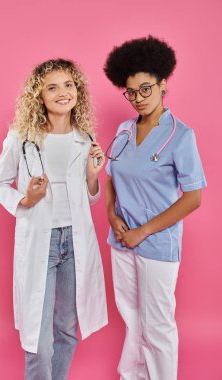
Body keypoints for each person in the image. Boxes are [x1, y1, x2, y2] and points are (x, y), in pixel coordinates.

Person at [0, 58, 108, 379]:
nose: (62, 92)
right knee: (38, 338)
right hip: (40, 241)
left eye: (68, 85)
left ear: (78, 91)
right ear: (38, 96)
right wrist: (25, 199)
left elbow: (90, 196)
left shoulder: (84, 137)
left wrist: (93, 176)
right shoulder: (21, 136)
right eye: (51, 87)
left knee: (68, 328)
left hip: (75, 239)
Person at [104, 36, 207, 380]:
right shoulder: (122, 130)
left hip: (156, 245)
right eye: (130, 92)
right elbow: (110, 178)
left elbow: (193, 198)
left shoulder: (181, 135)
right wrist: (112, 216)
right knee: (132, 318)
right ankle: (132, 376)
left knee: (157, 323)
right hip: (121, 241)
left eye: (145, 89)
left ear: (163, 85)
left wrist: (142, 232)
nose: (138, 99)